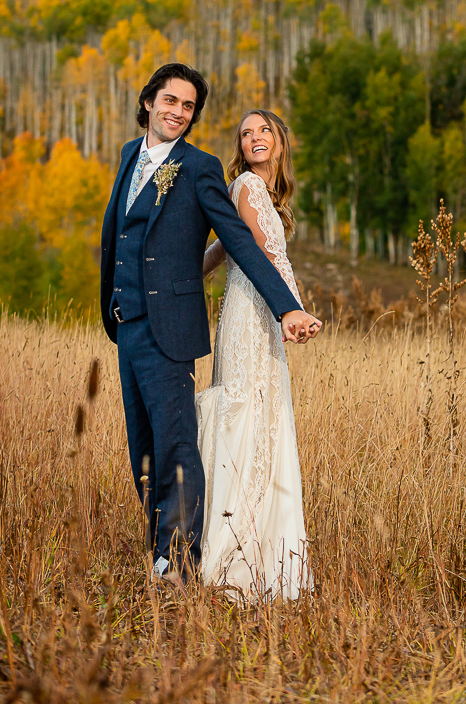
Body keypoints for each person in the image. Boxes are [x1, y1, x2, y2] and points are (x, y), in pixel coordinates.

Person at [100, 64, 321, 586]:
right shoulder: (129, 157)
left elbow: (238, 241)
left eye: (188, 106)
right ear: (149, 101)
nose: (178, 111)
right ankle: (159, 550)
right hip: (126, 323)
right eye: (170, 101)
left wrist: (287, 307)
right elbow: (119, 237)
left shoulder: (198, 169)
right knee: (144, 448)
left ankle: (177, 563)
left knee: (178, 443)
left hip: (172, 328)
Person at [197, 108, 321, 600]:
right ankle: (232, 557)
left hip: (261, 316)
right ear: (241, 148)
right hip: (252, 316)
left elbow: (222, 251)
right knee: (246, 419)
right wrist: (294, 309)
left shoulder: (265, 196)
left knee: (264, 421)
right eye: (245, 134)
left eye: (263, 129)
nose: (254, 138)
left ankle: (263, 557)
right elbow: (265, 259)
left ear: (279, 140)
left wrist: (189, 274)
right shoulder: (246, 186)